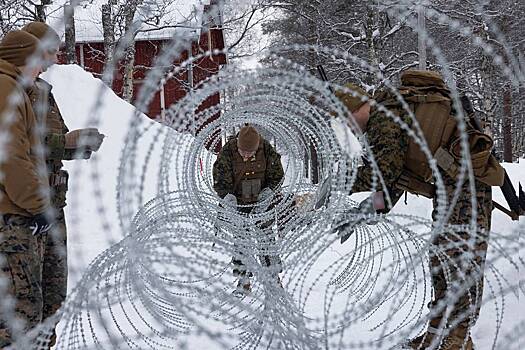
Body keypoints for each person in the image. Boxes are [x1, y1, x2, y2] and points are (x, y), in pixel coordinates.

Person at [334, 71, 500, 350]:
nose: (348, 127)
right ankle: (437, 330)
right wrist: (367, 209)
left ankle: (460, 336)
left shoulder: (383, 120)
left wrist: (342, 183)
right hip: (451, 186)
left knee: (458, 256)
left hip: (467, 183)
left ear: (356, 108)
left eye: (347, 119)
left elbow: (384, 174)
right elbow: (395, 181)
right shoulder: (388, 116)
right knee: (441, 256)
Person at [21, 21, 105, 349]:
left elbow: (54, 140)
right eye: (50, 53)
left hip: (54, 207)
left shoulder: (42, 92)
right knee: (25, 298)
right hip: (24, 210)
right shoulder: (9, 91)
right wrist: (61, 141)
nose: (55, 60)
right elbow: (16, 145)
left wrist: (77, 144)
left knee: (54, 294)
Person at [0, 29, 54, 349]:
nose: (43, 68)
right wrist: (37, 204)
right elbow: (13, 159)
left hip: (11, 212)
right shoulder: (7, 90)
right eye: (38, 61)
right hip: (11, 217)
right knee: (22, 310)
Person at [212, 125, 284, 294]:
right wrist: (228, 198)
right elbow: (219, 181)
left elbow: (277, 176)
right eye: (242, 152)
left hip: (261, 204)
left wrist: (269, 193)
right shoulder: (227, 152)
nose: (245, 156)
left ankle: (273, 280)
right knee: (241, 242)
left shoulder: (266, 149)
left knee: (266, 241)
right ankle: (244, 282)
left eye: (249, 153)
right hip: (237, 204)